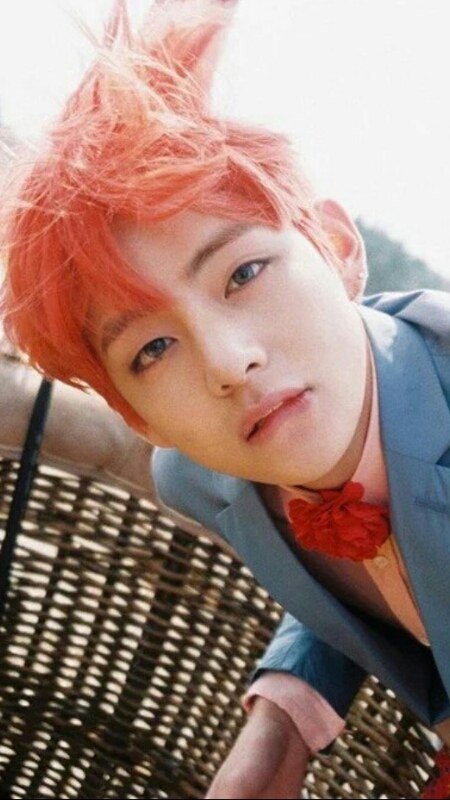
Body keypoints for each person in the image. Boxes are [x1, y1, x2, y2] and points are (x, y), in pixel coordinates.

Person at [1, 1, 450, 797]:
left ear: (336, 246)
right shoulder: (204, 478)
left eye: (243, 273)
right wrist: (282, 716)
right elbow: (365, 567)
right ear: (137, 417)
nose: (228, 363)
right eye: (152, 350)